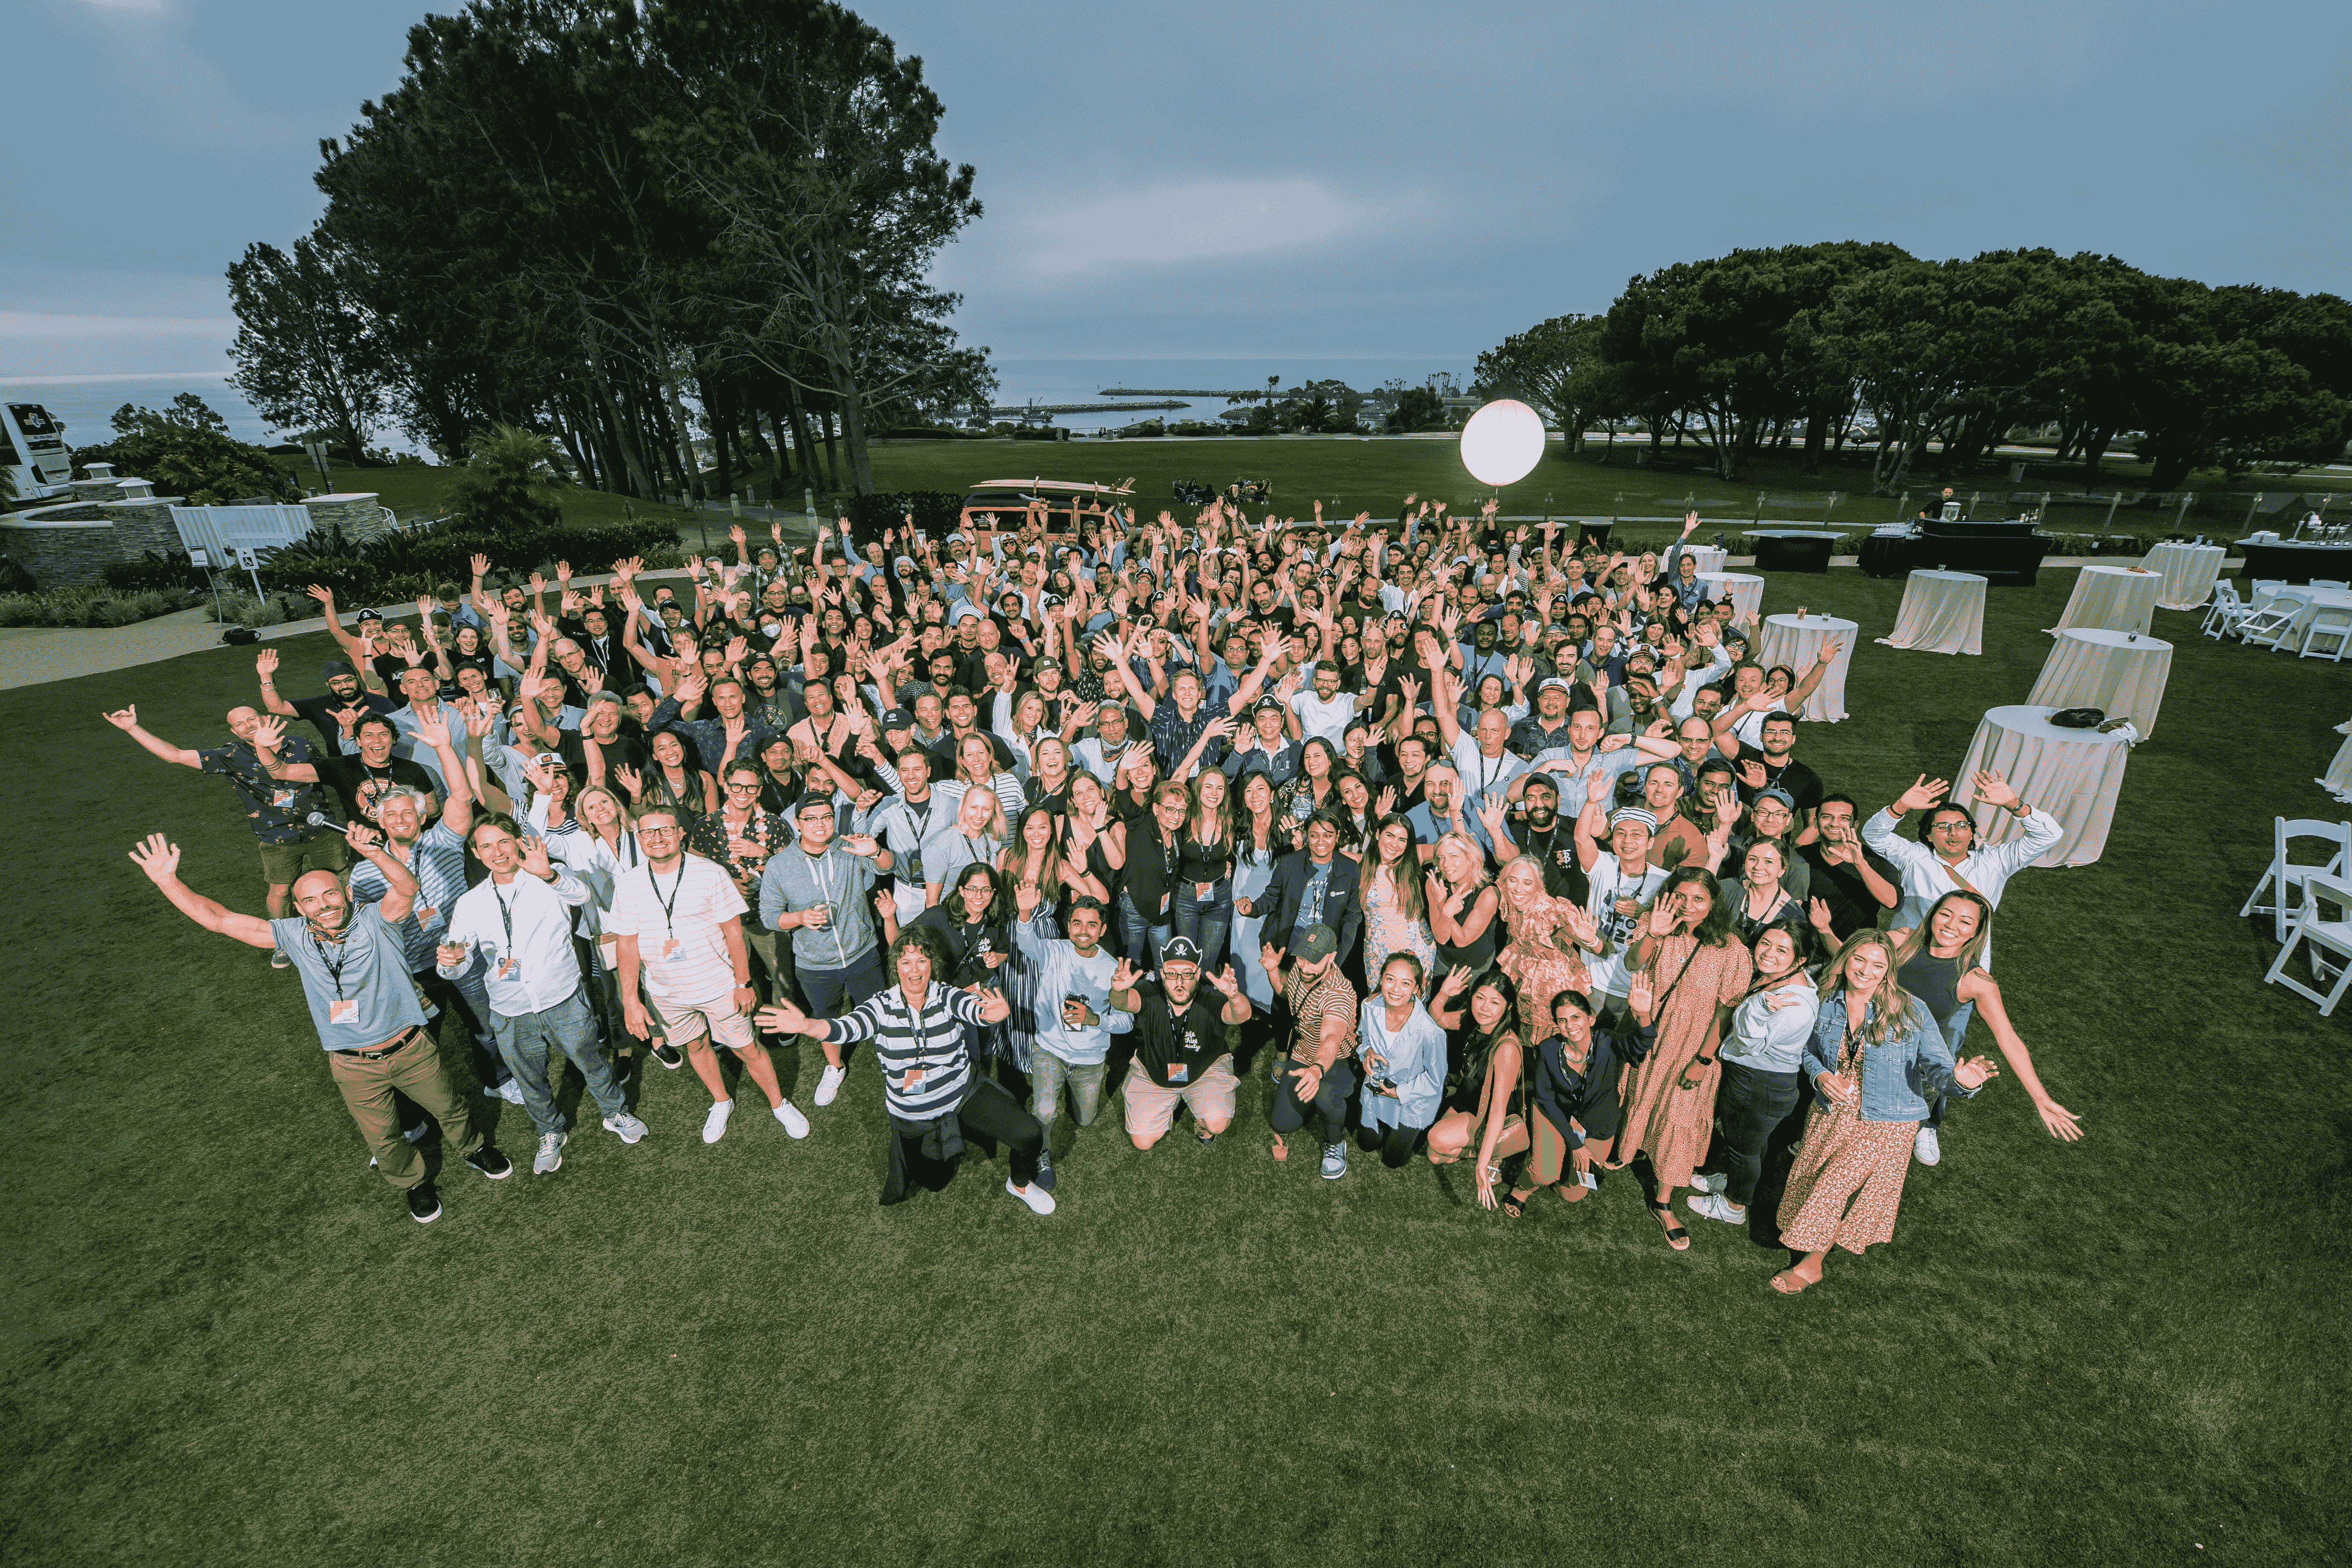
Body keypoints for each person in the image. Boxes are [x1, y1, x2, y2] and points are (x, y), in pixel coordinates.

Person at [126, 826, 512, 1224]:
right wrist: (168, 882)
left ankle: (474, 1149)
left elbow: (406, 888)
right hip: (353, 1065)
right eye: (309, 900)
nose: (323, 904)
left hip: (412, 1048)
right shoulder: (292, 936)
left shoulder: (376, 920)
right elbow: (220, 920)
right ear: (297, 907)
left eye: (330, 893)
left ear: (347, 893)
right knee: (382, 1137)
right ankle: (414, 1184)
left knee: (450, 1107)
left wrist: (374, 852)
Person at [757, 925, 1048, 1213]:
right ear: (896, 966)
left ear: (932, 965)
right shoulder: (881, 1007)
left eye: (922, 960)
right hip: (915, 1112)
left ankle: (1019, 1184)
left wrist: (991, 1013)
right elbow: (845, 1027)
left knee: (1030, 1133)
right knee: (935, 1181)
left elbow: (973, 1009)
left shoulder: (945, 994)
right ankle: (947, 1140)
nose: (915, 970)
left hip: (963, 1093)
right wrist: (807, 1025)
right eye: (906, 961)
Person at [1770, 931, 1999, 1295]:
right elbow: (1808, 1049)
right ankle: (1810, 1239)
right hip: (1832, 1110)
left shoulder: (1910, 1009)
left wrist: (1964, 1081)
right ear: (1845, 958)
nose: (1866, 970)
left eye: (1878, 964)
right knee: (1813, 1179)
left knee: (1834, 1186)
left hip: (1888, 1120)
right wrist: (1820, 1075)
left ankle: (1812, 1265)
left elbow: (1940, 1069)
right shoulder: (1825, 1000)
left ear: (1888, 971)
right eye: (1859, 959)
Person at [1861, 769, 2062, 1165]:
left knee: (1943, 1054)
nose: (1952, 833)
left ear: (1974, 831)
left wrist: (2013, 803)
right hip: (1904, 968)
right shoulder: (1914, 857)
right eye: (1942, 827)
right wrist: (1901, 805)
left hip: (1955, 982)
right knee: (1875, 1039)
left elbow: (2049, 836)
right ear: (1929, 834)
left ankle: (1927, 1125)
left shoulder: (1998, 860)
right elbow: (1875, 836)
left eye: (1961, 826)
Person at [437, 814, 649, 1175]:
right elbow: (455, 961)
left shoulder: (548, 876)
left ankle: (616, 1112)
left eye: (503, 841)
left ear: (518, 841)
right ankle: (550, 1131)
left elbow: (581, 893)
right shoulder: (469, 903)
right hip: (510, 1008)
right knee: (529, 1078)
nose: (497, 851)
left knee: (590, 1060)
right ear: (476, 853)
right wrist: (451, 962)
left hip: (562, 997)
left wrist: (547, 872)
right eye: (486, 845)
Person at [609, 805, 812, 1145]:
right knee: (697, 1045)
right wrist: (631, 999)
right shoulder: (628, 884)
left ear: (680, 833)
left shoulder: (710, 872)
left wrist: (744, 982)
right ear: (639, 837)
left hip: (719, 986)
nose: (657, 838)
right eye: (649, 832)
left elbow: (733, 930)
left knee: (748, 1048)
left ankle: (779, 1104)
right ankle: (722, 1101)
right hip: (666, 993)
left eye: (665, 830)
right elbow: (627, 945)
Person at [105, 701, 346, 968]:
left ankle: (348, 932)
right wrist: (133, 728)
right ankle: (281, 942)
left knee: (339, 880)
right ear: (234, 732)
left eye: (250, 718)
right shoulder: (232, 755)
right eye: (239, 725)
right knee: (281, 891)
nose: (247, 726)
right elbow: (175, 755)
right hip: (276, 837)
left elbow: (333, 773)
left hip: (322, 827)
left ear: (262, 718)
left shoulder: (301, 744)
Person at [1608, 867, 1753, 1251]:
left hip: (1694, 1045)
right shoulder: (1654, 924)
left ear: (1714, 903)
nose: (1689, 906)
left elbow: (1725, 1012)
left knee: (1680, 1116)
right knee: (1639, 1093)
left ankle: (1663, 1200)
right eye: (1682, 896)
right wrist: (1654, 932)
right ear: (1669, 895)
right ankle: (1630, 1148)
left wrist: (1703, 1061)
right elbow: (1633, 965)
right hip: (1648, 1029)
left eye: (1699, 899)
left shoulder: (1733, 950)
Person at [1893, 891, 2084, 1145]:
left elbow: (2009, 1039)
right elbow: (1850, 965)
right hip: (1863, 1047)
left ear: (1976, 932)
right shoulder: (1900, 942)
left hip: (1912, 1072)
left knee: (1886, 1148)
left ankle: (1926, 1131)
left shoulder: (1977, 982)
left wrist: (2041, 1098)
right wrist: (1826, 931)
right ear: (1932, 916)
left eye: (1965, 922)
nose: (1951, 926)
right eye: (1945, 915)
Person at [759, 794, 894, 1107]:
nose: (821, 824)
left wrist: (875, 851)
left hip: (862, 952)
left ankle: (892, 1062)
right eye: (811, 818)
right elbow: (769, 915)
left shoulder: (849, 846)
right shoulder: (779, 865)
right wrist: (800, 918)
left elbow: (889, 866)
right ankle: (835, 1067)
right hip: (815, 963)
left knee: (881, 1013)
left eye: (827, 817)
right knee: (826, 1016)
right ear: (798, 823)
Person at [1684, 922, 1817, 1229]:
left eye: (1782, 950)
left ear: (1799, 960)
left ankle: (1734, 1204)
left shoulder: (1796, 1004)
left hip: (1758, 1082)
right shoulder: (1778, 979)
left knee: (1743, 1149)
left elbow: (1748, 1044)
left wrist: (1758, 1010)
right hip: (1760, 1080)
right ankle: (1732, 1180)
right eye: (1766, 943)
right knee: (1752, 1144)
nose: (1768, 953)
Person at [1009, 889, 1137, 1187]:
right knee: (1045, 1110)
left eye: (1092, 925)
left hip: (1090, 1060)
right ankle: (1042, 1154)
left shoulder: (1112, 970)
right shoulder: (1055, 951)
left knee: (1085, 1119)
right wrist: (1025, 914)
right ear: (1069, 926)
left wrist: (1094, 1019)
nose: (1083, 930)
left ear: (1102, 930)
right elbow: (1026, 943)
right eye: (1077, 923)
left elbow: (1126, 1022)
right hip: (1050, 1049)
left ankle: (1068, 1092)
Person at [1118, 934, 1252, 1150]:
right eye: (1172, 974)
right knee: (1143, 1142)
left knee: (1217, 1123)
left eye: (1187, 974)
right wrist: (1119, 990)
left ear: (1198, 974)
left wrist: (1234, 997)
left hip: (1204, 1072)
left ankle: (1199, 1112)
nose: (1179, 982)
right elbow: (1122, 1002)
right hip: (1154, 1074)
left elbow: (1241, 1015)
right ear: (1162, 974)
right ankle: (1174, 1101)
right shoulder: (1149, 992)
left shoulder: (1210, 998)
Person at [1258, 922, 1358, 1178]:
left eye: (1313, 961)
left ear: (1332, 957)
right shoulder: (1301, 970)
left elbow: (1332, 1038)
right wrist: (1272, 971)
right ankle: (1314, 1096)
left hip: (1336, 1061)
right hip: (1303, 1052)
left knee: (1325, 1095)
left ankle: (1336, 1141)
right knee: (1282, 1122)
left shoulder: (1339, 993)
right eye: (1302, 957)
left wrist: (1317, 1069)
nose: (1304, 966)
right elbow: (1284, 990)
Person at [1425, 968, 1531, 1209]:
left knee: (1437, 1139)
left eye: (1495, 1002)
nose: (1484, 1007)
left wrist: (1481, 1164)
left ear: (1508, 1008)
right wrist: (1443, 993)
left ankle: (1493, 1154)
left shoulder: (1506, 1050)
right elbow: (1437, 1018)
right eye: (1480, 997)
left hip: (1491, 1112)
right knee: (1434, 1155)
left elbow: (1497, 1112)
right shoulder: (1474, 1022)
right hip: (1469, 1097)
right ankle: (1486, 1149)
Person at [1508, 986, 1610, 1216]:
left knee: (1572, 1193)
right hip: (1554, 1111)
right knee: (1544, 1173)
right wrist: (1575, 1144)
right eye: (1563, 1020)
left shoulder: (1607, 1045)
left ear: (1591, 1019)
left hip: (1592, 1119)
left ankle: (1556, 1160)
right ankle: (1524, 1186)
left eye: (1577, 1017)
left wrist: (1643, 1016)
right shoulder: (1549, 1048)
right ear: (1556, 1024)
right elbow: (1546, 1099)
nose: (1571, 1026)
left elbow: (1641, 1045)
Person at [1354, 954, 1449, 1169]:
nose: (1396, 989)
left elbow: (1436, 1079)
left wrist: (1399, 1093)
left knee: (1392, 1161)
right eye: (1390, 979)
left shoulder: (1430, 1031)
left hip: (1413, 1101)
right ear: (1380, 979)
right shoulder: (1369, 1006)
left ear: (1416, 988)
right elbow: (1363, 1037)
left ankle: (1418, 1132)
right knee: (1366, 1144)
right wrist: (1367, 1052)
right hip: (1377, 1091)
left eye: (1406, 983)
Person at [1238, 811, 1364, 963]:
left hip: (1324, 951)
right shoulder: (1289, 863)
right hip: (1287, 947)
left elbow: (1352, 917)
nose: (1320, 841)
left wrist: (1338, 956)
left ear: (1337, 836)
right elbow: (1271, 898)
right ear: (1306, 836)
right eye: (1314, 835)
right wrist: (1252, 908)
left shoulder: (1349, 868)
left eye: (1328, 835)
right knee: (1283, 988)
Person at [1796, 794, 1899, 945]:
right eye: (1827, 817)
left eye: (1844, 818)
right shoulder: (1802, 856)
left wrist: (1860, 864)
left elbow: (1892, 902)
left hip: (1852, 951)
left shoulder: (1874, 862)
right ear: (1815, 822)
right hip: (1805, 946)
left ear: (1855, 825)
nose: (1834, 824)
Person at [1361, 814, 1436, 986]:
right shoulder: (1362, 865)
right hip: (1378, 955)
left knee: (1413, 1008)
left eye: (1403, 839)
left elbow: (1455, 846)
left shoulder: (1416, 857)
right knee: (1380, 1009)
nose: (1395, 845)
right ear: (1378, 834)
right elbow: (1326, 854)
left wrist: (1456, 815)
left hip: (1416, 953)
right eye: (1390, 835)